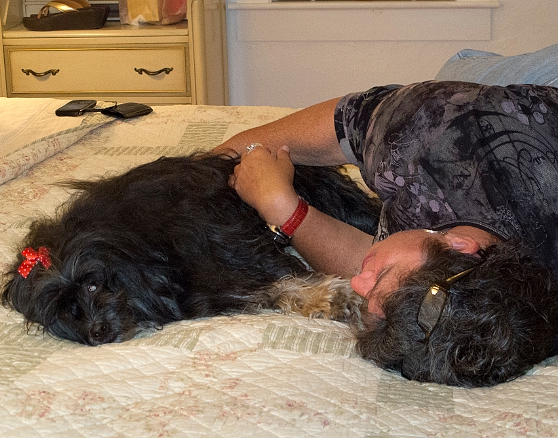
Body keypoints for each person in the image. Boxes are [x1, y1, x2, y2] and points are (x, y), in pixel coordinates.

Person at [213, 81, 558, 387]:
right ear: (458, 244)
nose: (357, 284)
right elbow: (328, 127)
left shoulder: (530, 310)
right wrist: (206, 172)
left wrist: (284, 209)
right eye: (381, 277)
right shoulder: (423, 132)